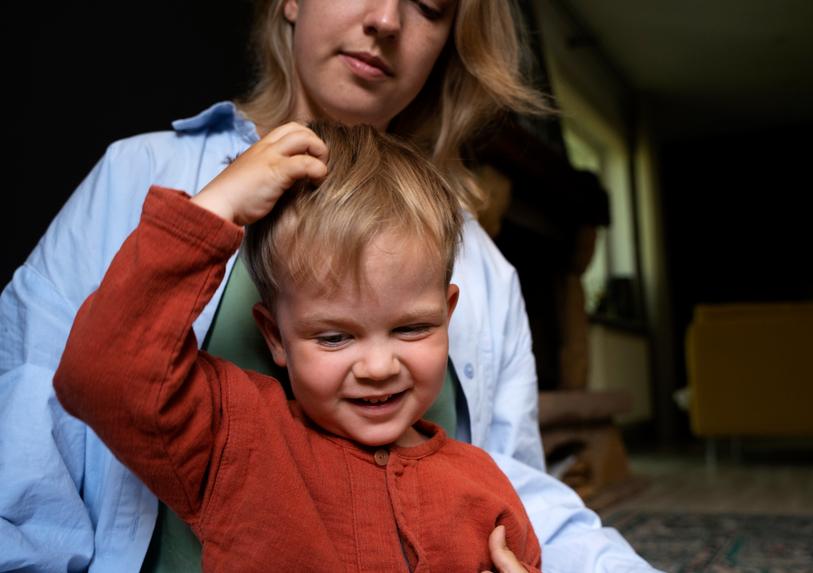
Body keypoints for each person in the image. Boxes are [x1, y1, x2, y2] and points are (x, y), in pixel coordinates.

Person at [0, 1, 658, 572]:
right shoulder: (144, 180)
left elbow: (518, 494)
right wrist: (213, 212)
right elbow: (52, 411)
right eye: (335, 333)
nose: (386, 19)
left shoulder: (485, 268)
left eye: (428, 5)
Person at [53, 121, 542, 572]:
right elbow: (101, 373)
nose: (377, 366)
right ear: (274, 337)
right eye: (334, 337)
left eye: (412, 329)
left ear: (447, 316)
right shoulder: (237, 436)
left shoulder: (484, 486)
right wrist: (216, 208)